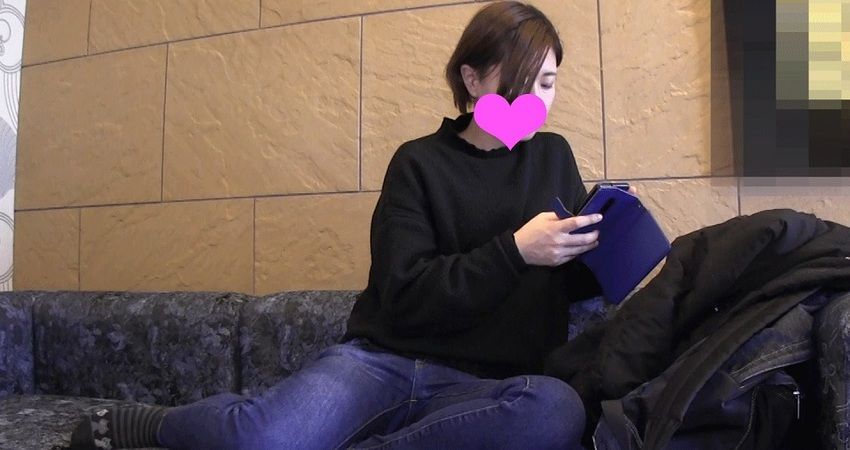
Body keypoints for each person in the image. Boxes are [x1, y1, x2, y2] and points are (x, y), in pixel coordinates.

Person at [70, 2, 613, 449]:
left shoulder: (553, 156)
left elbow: (564, 283)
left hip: (483, 391)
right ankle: (156, 424)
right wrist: (515, 251)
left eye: (547, 83)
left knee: (556, 409)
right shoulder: (418, 163)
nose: (536, 101)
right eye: (521, 82)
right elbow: (404, 293)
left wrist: (605, 248)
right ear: (471, 78)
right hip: (383, 366)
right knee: (260, 438)